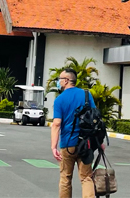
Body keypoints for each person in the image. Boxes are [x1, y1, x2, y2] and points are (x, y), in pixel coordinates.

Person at [51, 68, 97, 198]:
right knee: (86, 177)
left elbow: (56, 124)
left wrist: (54, 146)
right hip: (86, 144)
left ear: (66, 81)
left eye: (59, 79)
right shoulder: (87, 95)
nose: (58, 82)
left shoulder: (60, 100)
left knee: (65, 178)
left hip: (67, 144)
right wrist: (99, 142)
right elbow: (95, 120)